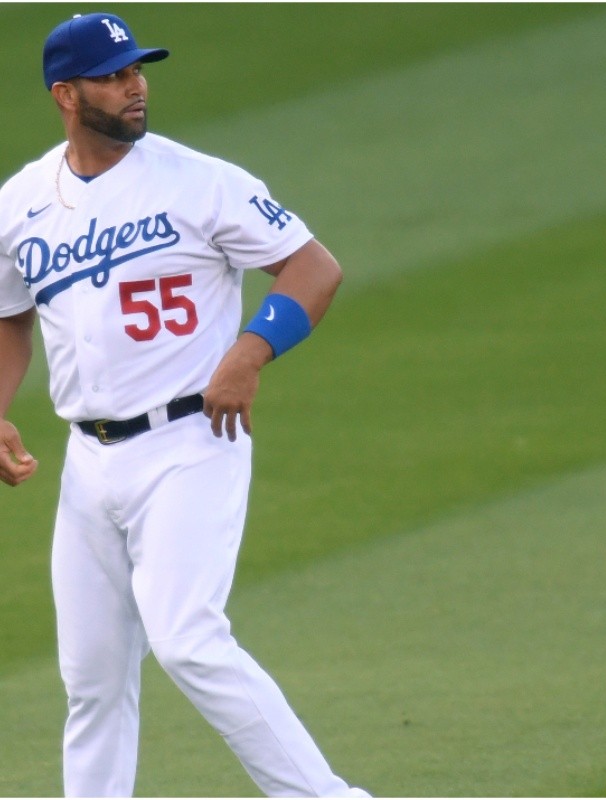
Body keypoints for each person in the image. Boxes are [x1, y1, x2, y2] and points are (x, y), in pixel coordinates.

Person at [0, 12, 370, 798]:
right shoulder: (23, 201)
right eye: (113, 75)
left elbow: (313, 268)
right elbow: (9, 318)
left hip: (191, 441)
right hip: (89, 464)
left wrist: (249, 351)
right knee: (92, 681)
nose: (134, 87)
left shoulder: (200, 181)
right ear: (65, 94)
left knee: (188, 639)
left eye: (138, 70)